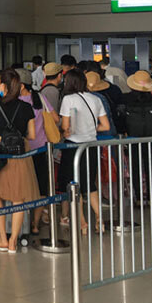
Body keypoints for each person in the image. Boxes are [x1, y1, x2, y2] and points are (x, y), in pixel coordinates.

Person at [0, 69, 40, 254]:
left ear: (4, 85)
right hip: (20, 153)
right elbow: (32, 135)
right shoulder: (26, 107)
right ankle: (14, 241)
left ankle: (3, 238)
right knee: (18, 198)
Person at [58, 69, 110, 234]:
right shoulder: (95, 99)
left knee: (75, 186)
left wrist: (64, 132)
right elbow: (106, 126)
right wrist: (91, 129)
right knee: (90, 185)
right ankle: (100, 220)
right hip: (91, 146)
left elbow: (65, 127)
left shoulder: (68, 99)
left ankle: (83, 223)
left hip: (73, 148)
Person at [15, 68, 59, 233]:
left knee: (23, 188)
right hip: (42, 149)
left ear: (20, 85)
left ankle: (24, 224)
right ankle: (35, 224)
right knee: (41, 188)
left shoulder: (15, 101)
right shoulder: (39, 97)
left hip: (23, 151)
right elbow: (55, 118)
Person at [123, 70, 152, 203]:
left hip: (133, 138)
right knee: (150, 166)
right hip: (151, 138)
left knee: (135, 167)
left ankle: (139, 197)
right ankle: (151, 196)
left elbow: (122, 119)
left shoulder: (127, 99)